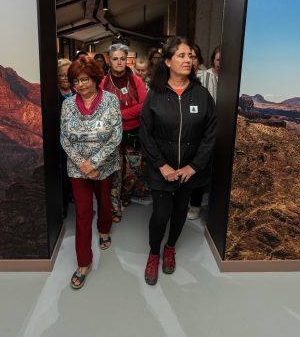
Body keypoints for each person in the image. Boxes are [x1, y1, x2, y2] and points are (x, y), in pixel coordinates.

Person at [139, 36, 217, 285]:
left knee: (180, 212)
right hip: (161, 169)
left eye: (190, 56)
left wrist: (193, 166)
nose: (188, 60)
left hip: (188, 172)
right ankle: (154, 253)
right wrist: (161, 164)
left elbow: (210, 133)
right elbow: (145, 133)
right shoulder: (156, 94)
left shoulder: (202, 95)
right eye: (182, 55)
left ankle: (170, 247)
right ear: (168, 61)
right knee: (161, 215)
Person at [60, 55, 122, 289]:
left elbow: (116, 135)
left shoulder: (110, 101)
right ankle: (83, 262)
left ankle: (104, 229)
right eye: (75, 81)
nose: (81, 85)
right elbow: (65, 139)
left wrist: (94, 162)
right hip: (77, 170)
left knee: (104, 202)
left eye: (85, 79)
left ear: (95, 78)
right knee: (83, 213)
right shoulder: (67, 105)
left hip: (104, 165)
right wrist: (82, 164)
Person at [100, 43, 148, 222]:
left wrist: (120, 114)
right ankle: (115, 208)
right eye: (115, 59)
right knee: (115, 172)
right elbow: (101, 107)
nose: (119, 62)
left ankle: (126, 194)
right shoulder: (103, 82)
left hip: (133, 133)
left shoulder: (136, 80)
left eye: (122, 58)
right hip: (111, 134)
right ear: (109, 61)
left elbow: (143, 106)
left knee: (133, 172)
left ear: (126, 59)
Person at [58, 59, 75, 217]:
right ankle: (62, 208)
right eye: (60, 75)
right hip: (60, 145)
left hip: (78, 144)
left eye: (67, 75)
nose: (64, 78)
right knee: (63, 175)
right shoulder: (52, 97)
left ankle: (73, 198)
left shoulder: (79, 93)